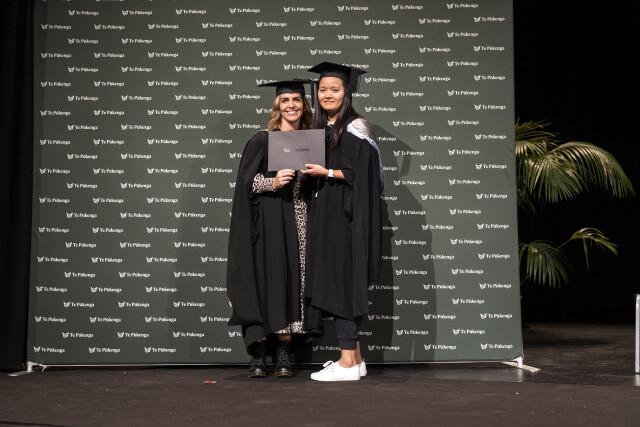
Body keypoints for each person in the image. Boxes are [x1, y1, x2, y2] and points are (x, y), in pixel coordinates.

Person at [302, 62, 384, 381]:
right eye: (322, 90)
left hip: (347, 219)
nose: (327, 95)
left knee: (341, 286)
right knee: (337, 284)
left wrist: (327, 172)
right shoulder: (322, 128)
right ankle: (356, 360)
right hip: (328, 216)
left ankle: (347, 363)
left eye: (334, 89)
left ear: (346, 92)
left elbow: (362, 177)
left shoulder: (356, 129)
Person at [227, 79, 314, 378]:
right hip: (268, 220)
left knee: (291, 284)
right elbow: (244, 184)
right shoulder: (262, 140)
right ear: (277, 106)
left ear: (304, 105)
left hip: (299, 220)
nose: (291, 105)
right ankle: (258, 353)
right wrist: (272, 182)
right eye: (285, 100)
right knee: (267, 282)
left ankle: (283, 353)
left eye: (297, 100)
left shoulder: (311, 142)